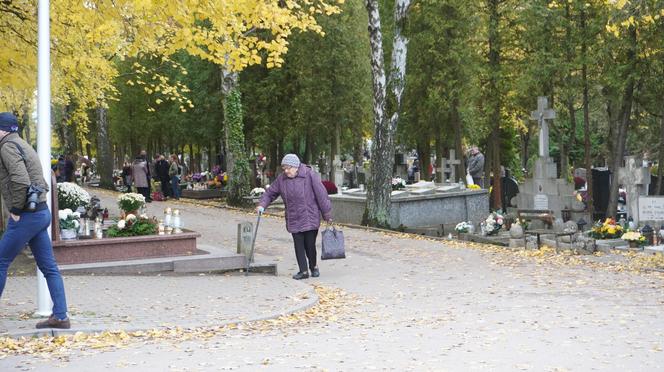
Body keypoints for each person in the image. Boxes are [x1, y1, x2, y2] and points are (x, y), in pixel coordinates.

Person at [0, 112, 70, 329]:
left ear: (2, 129)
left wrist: (15, 209)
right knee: (49, 267)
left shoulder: (7, 147)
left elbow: (20, 180)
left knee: (1, 261)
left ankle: (60, 316)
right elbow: (40, 178)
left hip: (26, 216)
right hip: (40, 212)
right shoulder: (22, 144)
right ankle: (60, 316)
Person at [256, 154, 332, 280]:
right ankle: (303, 271)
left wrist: (327, 214)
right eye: (284, 168)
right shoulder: (282, 179)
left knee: (310, 245)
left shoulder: (309, 175)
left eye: (289, 168)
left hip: (309, 216)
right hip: (294, 217)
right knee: (298, 245)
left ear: (296, 167)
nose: (286, 171)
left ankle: (314, 267)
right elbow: (270, 193)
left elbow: (321, 195)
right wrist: (262, 205)